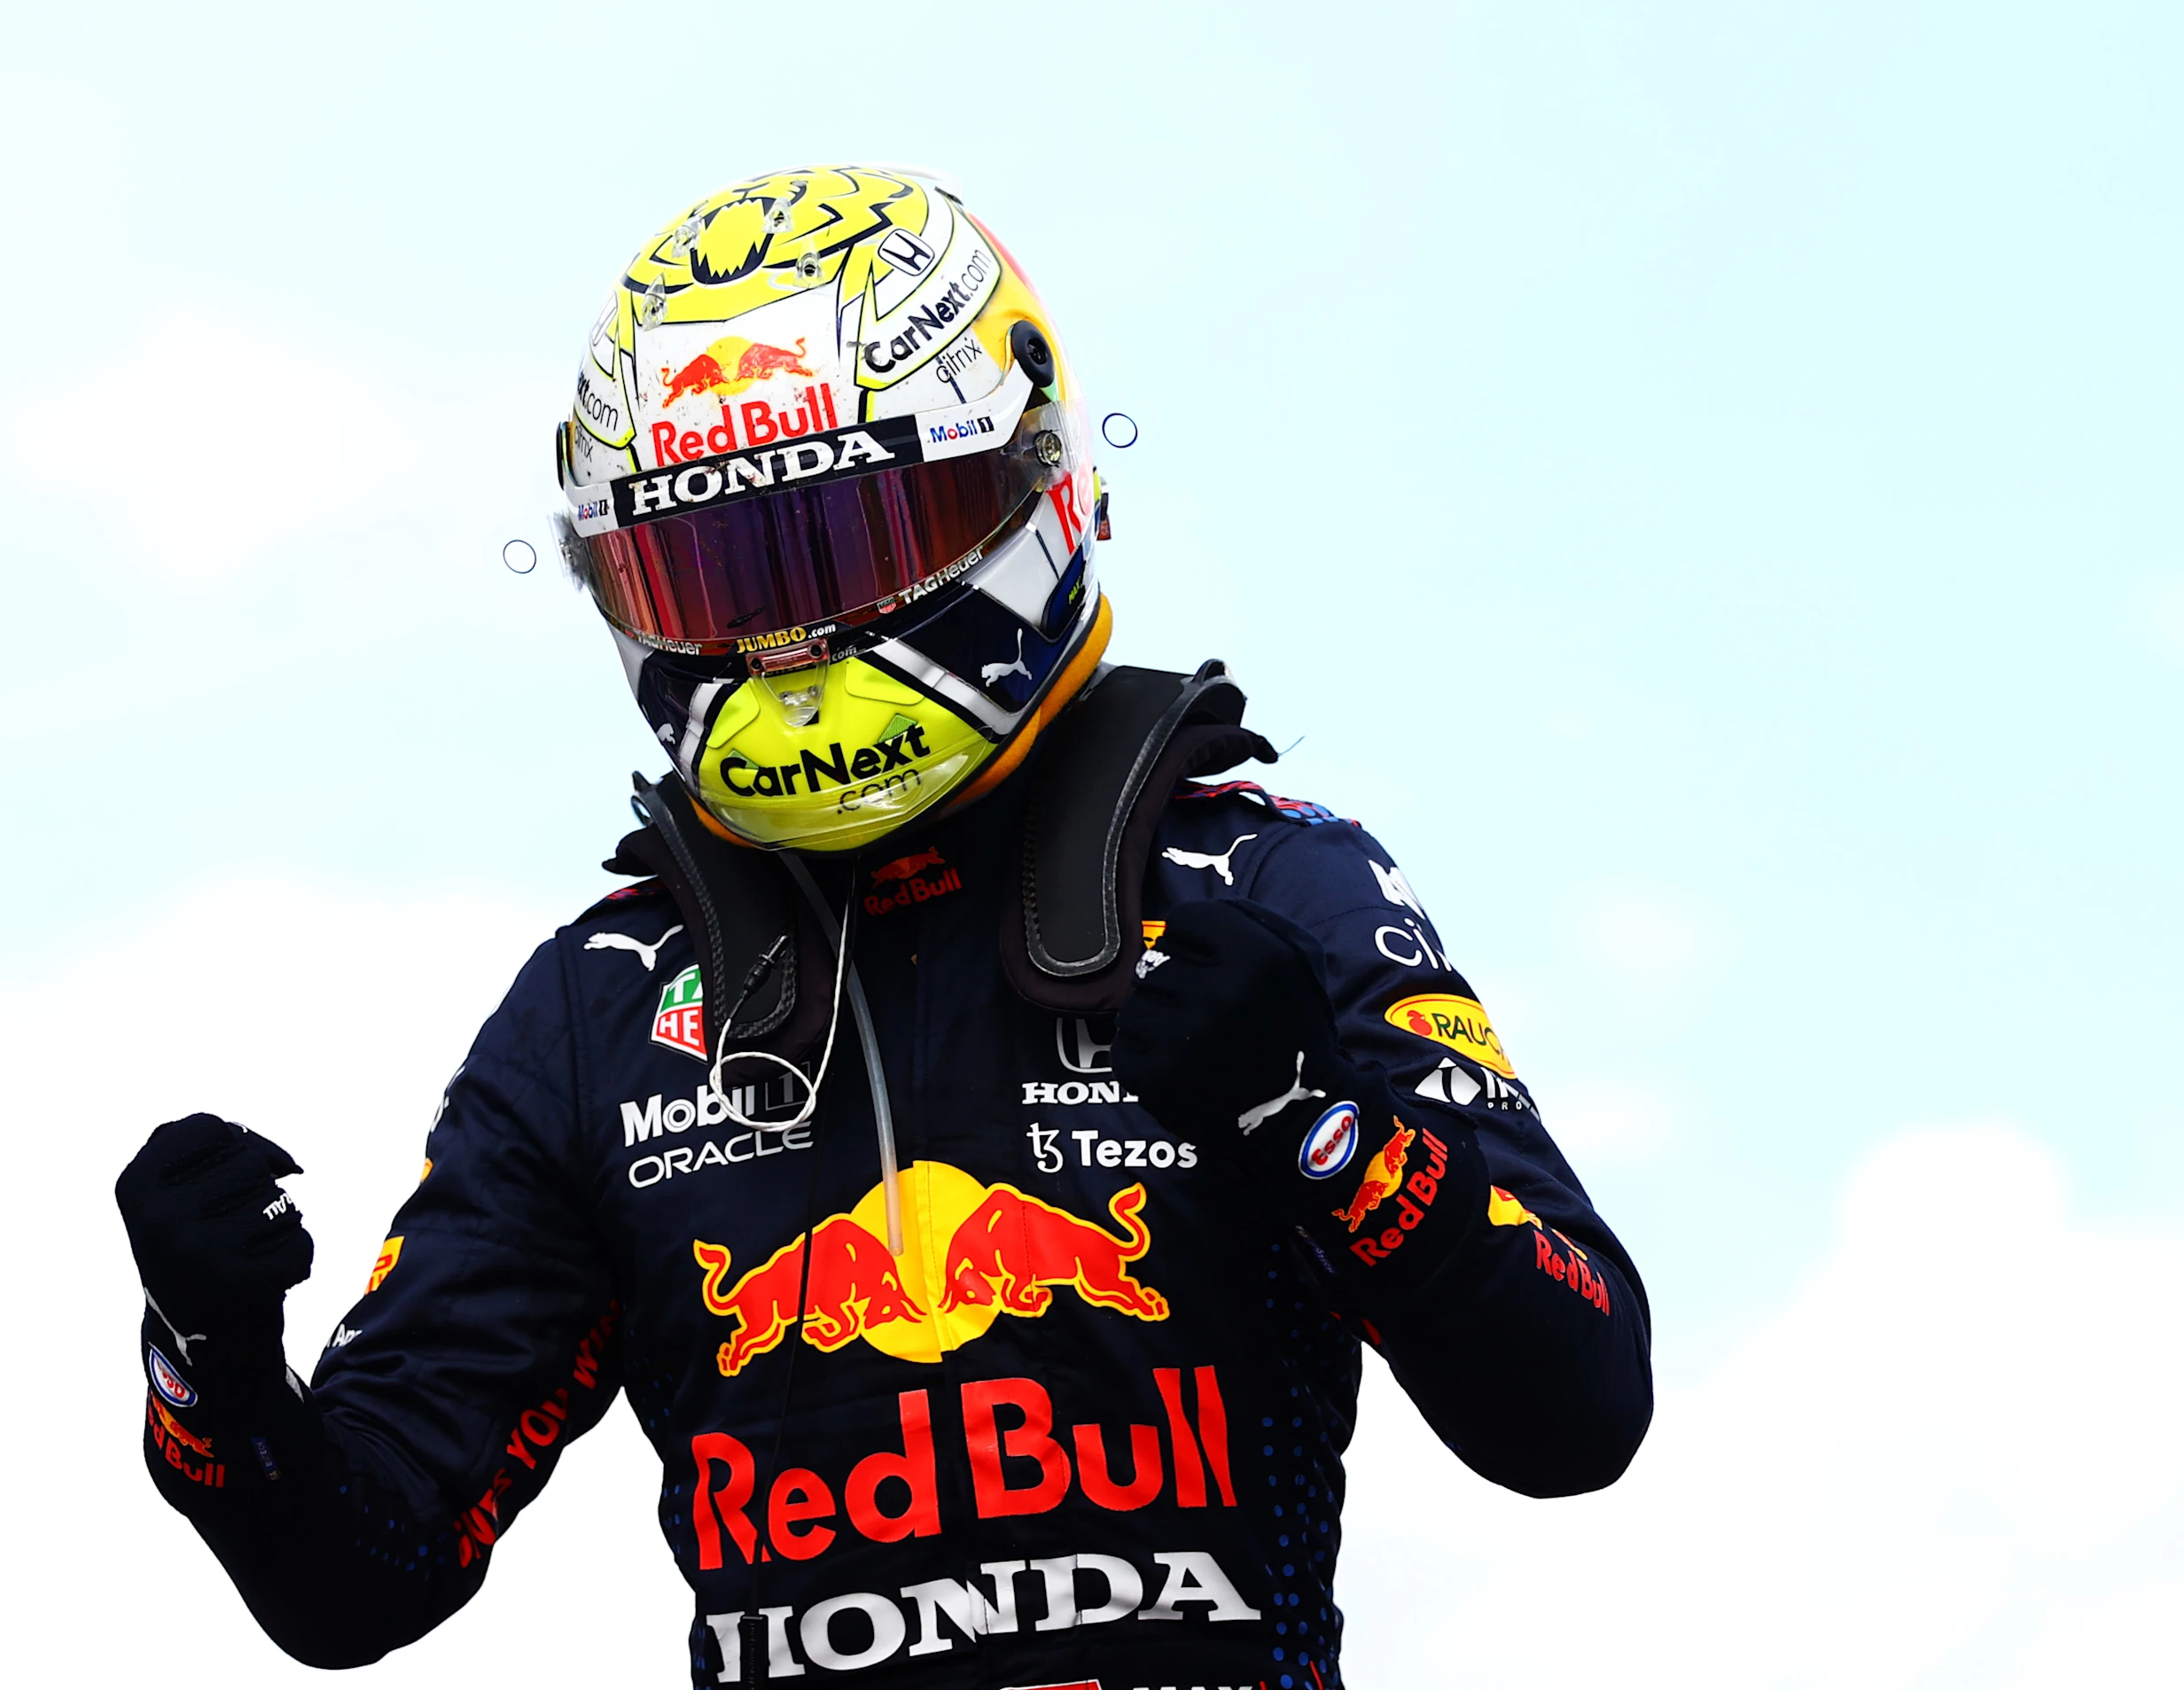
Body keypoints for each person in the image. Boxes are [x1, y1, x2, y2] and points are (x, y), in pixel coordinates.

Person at [113, 165, 1650, 1689]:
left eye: (839, 548)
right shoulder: (599, 1004)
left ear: (1028, 488)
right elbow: (355, 1576)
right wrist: (216, 1363)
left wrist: (1310, 1131)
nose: (783, 639)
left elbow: (1580, 1406)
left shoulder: (1265, 885)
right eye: (716, 571)